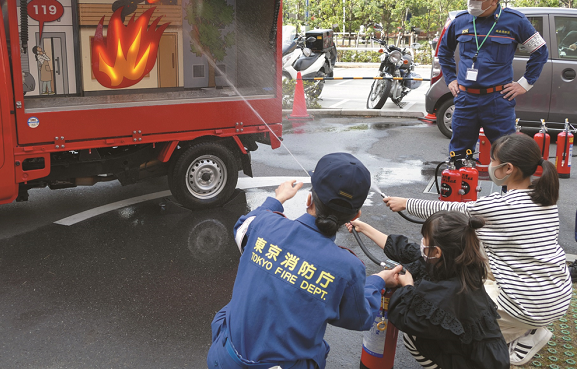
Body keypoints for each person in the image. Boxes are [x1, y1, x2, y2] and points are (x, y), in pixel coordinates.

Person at [385, 133, 570, 365]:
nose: (489, 165)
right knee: (478, 249)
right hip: (556, 294)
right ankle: (528, 327)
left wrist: (405, 203)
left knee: (464, 320)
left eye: (493, 160)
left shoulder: (501, 206)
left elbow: (452, 212)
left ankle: (513, 339)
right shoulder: (545, 201)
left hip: (526, 304)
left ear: (508, 168)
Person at [208, 153, 393, 368]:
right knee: (316, 350)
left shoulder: (264, 223)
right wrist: (378, 281)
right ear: (355, 216)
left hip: (224, 358)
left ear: (309, 199)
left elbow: (242, 228)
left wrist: (277, 199)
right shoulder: (348, 267)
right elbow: (360, 319)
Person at [349, 212, 509, 367]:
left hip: (476, 363)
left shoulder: (453, 292)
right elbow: (404, 250)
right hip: (476, 351)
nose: (422, 243)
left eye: (424, 238)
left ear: (437, 251)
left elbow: (404, 316)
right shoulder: (456, 262)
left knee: (414, 336)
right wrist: (363, 227)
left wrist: (407, 286)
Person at [438, 0, 549, 159]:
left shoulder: (515, 21)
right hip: (465, 99)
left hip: (498, 100)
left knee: (506, 155)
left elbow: (540, 51)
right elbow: (444, 51)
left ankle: (505, 180)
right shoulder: (460, 21)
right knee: (458, 155)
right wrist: (450, 79)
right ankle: (462, 177)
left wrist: (524, 84)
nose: (471, 2)